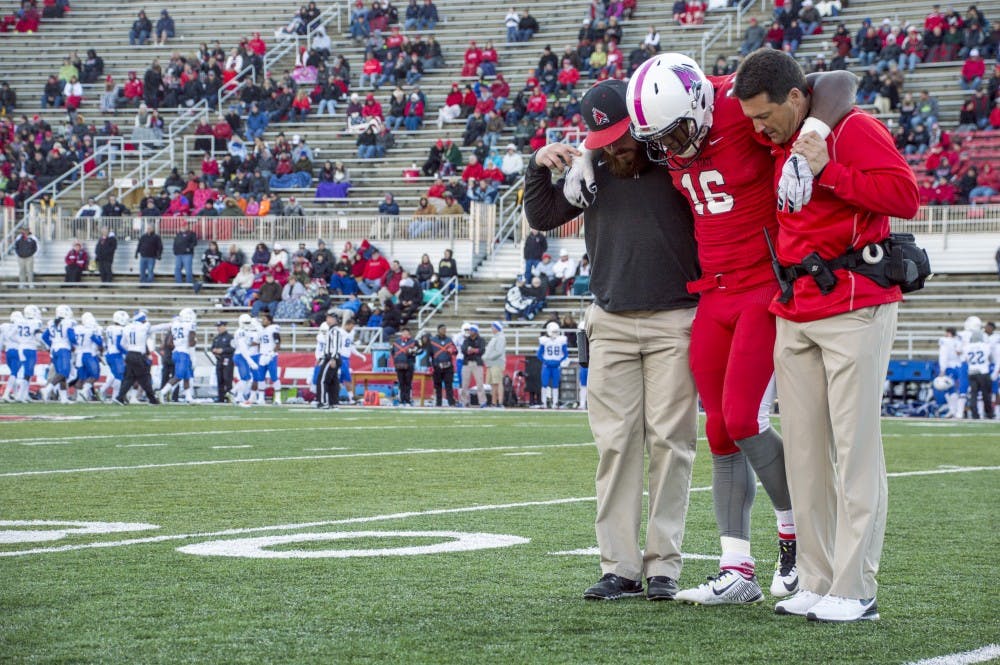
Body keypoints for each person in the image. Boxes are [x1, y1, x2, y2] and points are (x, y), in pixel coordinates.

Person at [620, 52, 857, 605]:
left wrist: (813, 137)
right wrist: (584, 153)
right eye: (660, 137)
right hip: (714, 291)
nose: (670, 147)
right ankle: (737, 569)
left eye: (677, 131)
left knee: (747, 418)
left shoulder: (734, 101)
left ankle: (794, 542)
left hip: (763, 284)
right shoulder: (668, 129)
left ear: (701, 103)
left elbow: (838, 81)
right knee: (721, 429)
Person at [732, 48, 920, 622]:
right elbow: (829, 80)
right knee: (807, 458)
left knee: (855, 453)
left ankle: (856, 587)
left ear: (794, 100)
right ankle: (814, 578)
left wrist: (826, 170)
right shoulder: (784, 132)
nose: (758, 129)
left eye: (765, 116)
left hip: (854, 306)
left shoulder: (854, 129)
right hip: (795, 308)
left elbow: (905, 197)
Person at [524, 79, 700, 601]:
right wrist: (539, 163)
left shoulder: (675, 159)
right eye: (606, 139)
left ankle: (664, 564)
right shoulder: (593, 164)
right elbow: (543, 217)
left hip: (675, 317)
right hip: (610, 319)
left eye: (624, 135)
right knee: (616, 445)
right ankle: (620, 566)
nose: (618, 146)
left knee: (672, 444)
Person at [113, 310, 165, 405]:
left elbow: (122, 344)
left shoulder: (127, 328)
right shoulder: (144, 327)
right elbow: (153, 327)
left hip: (130, 354)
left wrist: (131, 348)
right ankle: (152, 399)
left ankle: (119, 397)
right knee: (145, 377)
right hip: (138, 355)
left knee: (129, 378)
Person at [40, 305, 77, 404]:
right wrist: (76, 345)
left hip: (54, 350)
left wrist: (51, 344)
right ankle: (47, 389)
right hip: (63, 349)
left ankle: (64, 398)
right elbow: (72, 337)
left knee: (61, 374)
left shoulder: (51, 322)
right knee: (64, 372)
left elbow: (44, 337)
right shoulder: (68, 322)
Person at [159, 308, 198, 403]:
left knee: (186, 376)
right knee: (179, 376)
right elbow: (191, 343)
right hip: (183, 353)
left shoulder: (175, 325)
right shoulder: (190, 325)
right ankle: (162, 392)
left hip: (176, 352)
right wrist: (194, 341)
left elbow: (169, 342)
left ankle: (188, 397)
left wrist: (179, 343)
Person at [537, 320, 568, 409]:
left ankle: (555, 402)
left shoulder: (561, 340)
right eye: (553, 331)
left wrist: (559, 361)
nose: (555, 333)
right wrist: (545, 361)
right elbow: (539, 354)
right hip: (547, 365)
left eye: (556, 331)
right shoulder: (544, 340)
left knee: (555, 385)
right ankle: (544, 403)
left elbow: (565, 354)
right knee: (544, 384)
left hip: (556, 366)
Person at [316, 312, 343, 408]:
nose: (327, 319)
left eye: (329, 317)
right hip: (330, 357)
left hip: (332, 358)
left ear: (334, 319)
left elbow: (335, 346)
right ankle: (334, 402)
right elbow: (328, 346)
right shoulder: (331, 330)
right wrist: (321, 357)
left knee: (322, 380)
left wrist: (333, 358)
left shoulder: (335, 331)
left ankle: (322, 402)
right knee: (333, 381)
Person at [339, 316, 367, 404]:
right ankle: (350, 398)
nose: (352, 329)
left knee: (342, 379)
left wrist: (360, 355)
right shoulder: (340, 333)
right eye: (351, 326)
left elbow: (351, 347)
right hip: (340, 358)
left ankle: (345, 397)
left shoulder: (349, 334)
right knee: (345, 379)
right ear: (347, 325)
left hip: (346, 358)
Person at [429, 324, 457, 407]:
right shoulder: (432, 340)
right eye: (442, 329)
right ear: (438, 330)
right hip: (437, 366)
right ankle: (438, 402)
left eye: (445, 329)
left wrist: (452, 350)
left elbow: (456, 352)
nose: (444, 330)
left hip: (448, 366)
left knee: (449, 385)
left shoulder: (449, 340)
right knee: (438, 386)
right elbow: (429, 354)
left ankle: (451, 402)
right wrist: (431, 365)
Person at [257, 312, 282, 405]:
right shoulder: (262, 330)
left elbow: (278, 342)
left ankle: (278, 399)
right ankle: (260, 398)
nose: (262, 321)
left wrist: (272, 352)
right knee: (260, 378)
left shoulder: (273, 328)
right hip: (262, 355)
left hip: (271, 355)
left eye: (264, 319)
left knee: (274, 377)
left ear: (269, 321)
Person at [460, 324, 487, 407]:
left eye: (472, 330)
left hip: (477, 363)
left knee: (479, 383)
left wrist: (473, 350)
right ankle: (463, 401)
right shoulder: (466, 340)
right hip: (467, 363)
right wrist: (474, 350)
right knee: (464, 384)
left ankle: (482, 401)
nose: (470, 332)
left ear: (476, 331)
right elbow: (463, 350)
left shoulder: (481, 340)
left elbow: (482, 350)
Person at [482, 321, 507, 408]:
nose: (491, 328)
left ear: (497, 328)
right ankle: (494, 402)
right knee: (493, 383)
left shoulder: (500, 337)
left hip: (497, 362)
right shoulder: (495, 337)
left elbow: (498, 352)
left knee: (498, 382)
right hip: (491, 363)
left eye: (493, 327)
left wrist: (487, 357)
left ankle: (500, 402)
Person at [392, 326, 419, 405]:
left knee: (408, 382)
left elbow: (419, 351)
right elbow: (393, 352)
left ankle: (408, 399)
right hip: (399, 365)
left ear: (409, 334)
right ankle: (401, 399)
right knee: (401, 382)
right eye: (404, 332)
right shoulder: (396, 342)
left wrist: (413, 352)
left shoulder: (414, 342)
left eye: (407, 333)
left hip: (409, 364)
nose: (405, 334)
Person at [211, 320, 235, 403]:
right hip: (219, 360)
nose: (218, 328)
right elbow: (212, 348)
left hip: (227, 360)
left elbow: (232, 348)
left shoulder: (230, 337)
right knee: (219, 379)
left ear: (224, 326)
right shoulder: (216, 338)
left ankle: (229, 397)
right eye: (217, 326)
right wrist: (214, 351)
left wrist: (222, 350)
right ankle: (220, 397)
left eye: (220, 326)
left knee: (227, 379)